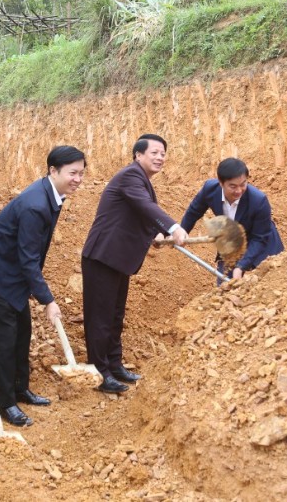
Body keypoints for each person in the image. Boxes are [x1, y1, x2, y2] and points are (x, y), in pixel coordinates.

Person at [0, 146, 86, 427]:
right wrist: (48, 300)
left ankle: (20, 389)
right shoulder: (35, 204)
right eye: (73, 173)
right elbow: (29, 259)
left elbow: (28, 257)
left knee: (23, 330)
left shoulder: (51, 194)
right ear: (53, 171)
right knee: (6, 339)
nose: (78, 179)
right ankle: (6, 401)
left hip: (13, 272)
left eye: (82, 173)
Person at [82, 134, 189, 394]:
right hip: (102, 257)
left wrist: (155, 233)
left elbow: (138, 213)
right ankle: (100, 372)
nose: (160, 157)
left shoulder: (141, 182)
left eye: (163, 153)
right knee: (101, 318)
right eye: (154, 152)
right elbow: (144, 206)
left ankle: (115, 365)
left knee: (115, 316)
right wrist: (173, 227)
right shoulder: (131, 176)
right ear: (138, 155)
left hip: (117, 259)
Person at [180, 157, 284, 283]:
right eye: (233, 186)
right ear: (221, 182)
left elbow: (259, 238)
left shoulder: (259, 200)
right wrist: (182, 231)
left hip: (261, 247)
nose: (239, 190)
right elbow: (194, 211)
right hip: (232, 242)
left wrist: (241, 266)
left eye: (243, 184)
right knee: (225, 289)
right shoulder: (210, 189)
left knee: (264, 290)